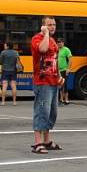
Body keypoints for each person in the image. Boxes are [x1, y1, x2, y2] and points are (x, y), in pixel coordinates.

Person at [30, 16, 64, 154]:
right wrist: (46, 34)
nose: (52, 27)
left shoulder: (53, 40)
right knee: (41, 111)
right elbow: (43, 50)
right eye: (49, 25)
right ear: (43, 26)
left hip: (53, 81)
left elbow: (55, 61)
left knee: (52, 113)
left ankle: (47, 140)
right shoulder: (37, 38)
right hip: (42, 82)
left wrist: (60, 76)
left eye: (54, 25)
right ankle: (38, 142)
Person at [57, 37, 72, 105]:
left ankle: (66, 99)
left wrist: (68, 69)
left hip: (64, 70)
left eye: (60, 42)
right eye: (58, 42)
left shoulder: (66, 50)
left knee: (64, 85)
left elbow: (70, 60)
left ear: (63, 43)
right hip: (57, 70)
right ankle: (61, 99)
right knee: (60, 85)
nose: (59, 43)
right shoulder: (56, 50)